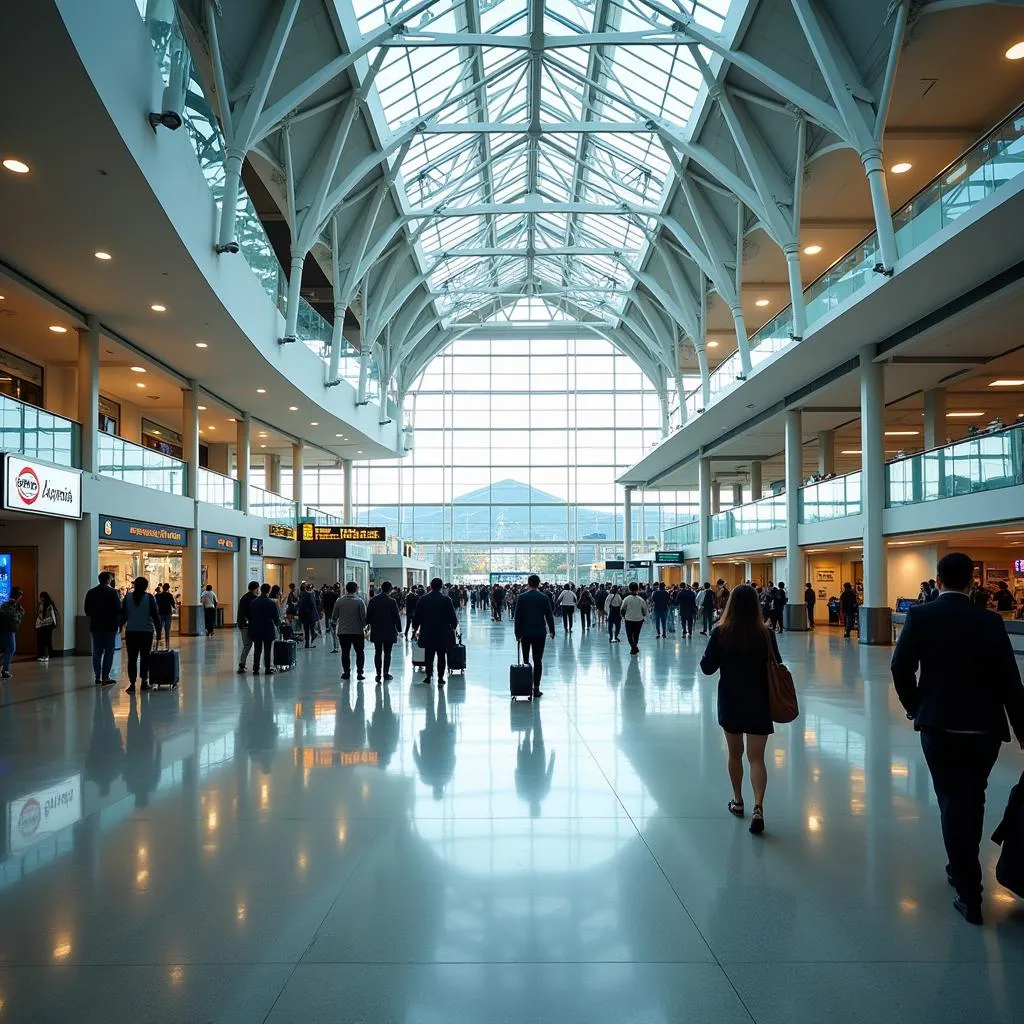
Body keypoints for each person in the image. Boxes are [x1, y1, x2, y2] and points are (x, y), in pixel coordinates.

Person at [891, 551, 1024, 925]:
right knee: (973, 796)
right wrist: (1023, 730)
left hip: (940, 727)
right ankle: (960, 865)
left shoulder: (921, 615)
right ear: (971, 582)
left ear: (938, 580)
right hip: (984, 731)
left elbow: (900, 666)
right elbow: (1010, 682)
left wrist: (916, 705)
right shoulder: (990, 621)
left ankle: (970, 890)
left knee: (951, 802)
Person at [699, 584, 782, 836]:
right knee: (757, 758)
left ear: (731, 604)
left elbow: (707, 668)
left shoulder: (721, 632)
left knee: (735, 754)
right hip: (759, 701)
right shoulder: (766, 634)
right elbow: (777, 663)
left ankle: (738, 800)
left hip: (731, 700)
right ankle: (759, 807)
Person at [514, 573, 556, 698]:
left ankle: (526, 686)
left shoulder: (522, 597)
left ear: (528, 583)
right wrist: (552, 630)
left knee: (526, 660)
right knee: (538, 660)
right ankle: (536, 688)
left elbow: (518, 617)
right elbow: (549, 615)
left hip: (525, 633)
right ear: (539, 584)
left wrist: (517, 633)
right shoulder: (543, 597)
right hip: (539, 633)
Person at [412, 577, 459, 687]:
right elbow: (452, 617)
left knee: (429, 655)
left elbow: (417, 616)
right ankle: (440, 678)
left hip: (427, 632)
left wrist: (415, 629)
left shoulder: (423, 599)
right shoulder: (446, 600)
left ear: (431, 586)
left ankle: (428, 676)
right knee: (441, 655)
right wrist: (454, 626)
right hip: (443, 633)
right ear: (441, 586)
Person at [121, 577, 160, 693]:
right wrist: (158, 631)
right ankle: (144, 682)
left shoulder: (127, 598)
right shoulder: (150, 598)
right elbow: (155, 615)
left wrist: (118, 627)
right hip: (146, 632)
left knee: (132, 658)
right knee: (145, 657)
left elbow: (124, 616)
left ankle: (132, 684)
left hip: (131, 632)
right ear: (146, 586)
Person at [85, 571, 121, 685]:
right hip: (110, 626)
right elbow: (118, 609)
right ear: (109, 580)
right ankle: (105, 676)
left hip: (96, 626)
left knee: (97, 652)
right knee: (109, 652)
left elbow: (87, 610)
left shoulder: (91, 592)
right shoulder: (113, 592)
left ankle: (97, 676)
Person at [366, 580, 402, 683]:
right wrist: (399, 629)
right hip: (389, 631)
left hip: (376, 630)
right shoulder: (392, 601)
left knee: (377, 652)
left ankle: (378, 674)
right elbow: (396, 617)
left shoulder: (373, 600)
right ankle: (386, 673)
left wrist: (369, 623)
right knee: (387, 653)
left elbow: (368, 617)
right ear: (390, 590)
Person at [332, 581, 367, 681]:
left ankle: (346, 672)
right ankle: (360, 673)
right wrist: (365, 627)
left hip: (343, 631)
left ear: (346, 589)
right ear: (356, 589)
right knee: (360, 652)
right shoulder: (360, 601)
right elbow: (363, 617)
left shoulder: (339, 601)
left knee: (345, 653)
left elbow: (334, 616)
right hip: (357, 632)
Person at [248, 583, 281, 674]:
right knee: (267, 649)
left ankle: (256, 668)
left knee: (257, 649)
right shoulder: (271, 603)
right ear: (269, 591)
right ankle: (267, 668)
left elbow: (251, 615)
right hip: (268, 629)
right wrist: (279, 625)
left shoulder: (253, 602)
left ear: (261, 590)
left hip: (257, 628)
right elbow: (275, 617)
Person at [0, 587, 24, 679]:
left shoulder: (6, 604)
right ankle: (5, 670)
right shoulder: (12, 605)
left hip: (7, 629)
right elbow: (16, 616)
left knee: (9, 650)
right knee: (11, 649)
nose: (21, 597)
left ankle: (5, 668)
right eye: (20, 595)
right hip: (8, 630)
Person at [236, 581, 260, 673]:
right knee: (257, 645)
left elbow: (240, 612)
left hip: (244, 625)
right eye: (258, 588)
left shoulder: (243, 598)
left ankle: (242, 664)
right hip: (253, 625)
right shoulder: (256, 599)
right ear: (256, 589)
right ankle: (256, 666)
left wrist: (240, 624)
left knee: (247, 645)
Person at [620, 581, 649, 655]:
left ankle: (633, 648)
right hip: (639, 620)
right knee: (636, 635)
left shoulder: (626, 599)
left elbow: (622, 609)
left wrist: (623, 616)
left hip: (628, 619)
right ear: (637, 589)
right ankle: (634, 647)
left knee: (629, 635)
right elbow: (645, 609)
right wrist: (644, 616)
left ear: (629, 589)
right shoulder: (640, 599)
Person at [34, 591, 60, 663]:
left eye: (41, 597)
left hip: (46, 625)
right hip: (44, 625)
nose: (41, 598)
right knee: (43, 640)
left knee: (46, 640)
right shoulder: (43, 604)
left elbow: (48, 615)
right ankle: (43, 654)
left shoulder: (49, 605)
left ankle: (47, 654)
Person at [297, 584, 318, 649]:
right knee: (311, 628)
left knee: (306, 630)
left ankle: (307, 643)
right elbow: (315, 605)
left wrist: (300, 614)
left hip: (305, 615)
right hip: (311, 616)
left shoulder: (304, 595)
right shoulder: (312, 595)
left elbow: (301, 605)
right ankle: (312, 637)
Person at [155, 583, 175, 649]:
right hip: (168, 613)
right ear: (168, 588)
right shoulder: (169, 595)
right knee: (167, 629)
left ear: (162, 588)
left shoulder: (158, 595)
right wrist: (174, 607)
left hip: (160, 613)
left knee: (159, 629)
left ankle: (157, 644)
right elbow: (173, 604)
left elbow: (156, 604)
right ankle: (167, 645)